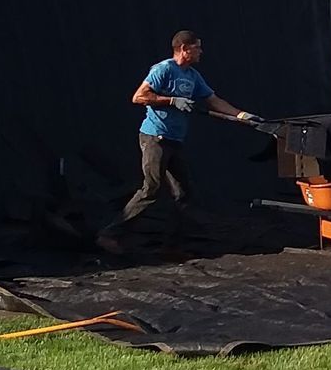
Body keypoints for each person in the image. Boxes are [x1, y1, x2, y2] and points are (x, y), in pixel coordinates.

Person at [97, 30, 259, 254]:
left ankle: (171, 245)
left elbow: (213, 100)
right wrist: (172, 100)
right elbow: (139, 97)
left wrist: (240, 115)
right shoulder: (164, 69)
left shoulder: (192, 76)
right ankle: (109, 234)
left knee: (183, 193)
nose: (201, 51)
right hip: (155, 138)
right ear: (184, 49)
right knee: (151, 189)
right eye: (197, 47)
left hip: (174, 141)